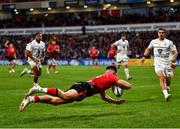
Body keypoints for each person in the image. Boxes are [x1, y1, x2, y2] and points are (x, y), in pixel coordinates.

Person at [19, 65, 132, 112]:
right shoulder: (112, 77)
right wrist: (117, 83)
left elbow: (104, 97)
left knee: (56, 101)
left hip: (84, 88)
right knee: (65, 95)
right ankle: (39, 88)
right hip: (84, 88)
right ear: (114, 71)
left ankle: (31, 99)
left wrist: (116, 102)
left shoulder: (104, 79)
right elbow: (128, 86)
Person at [141, 28, 177, 101]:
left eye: (163, 32)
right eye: (159, 32)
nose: (161, 34)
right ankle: (166, 95)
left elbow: (174, 53)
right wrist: (144, 57)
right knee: (162, 78)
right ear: (158, 34)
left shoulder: (169, 42)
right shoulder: (153, 41)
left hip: (167, 63)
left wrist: (173, 62)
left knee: (168, 80)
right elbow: (148, 49)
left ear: (165, 34)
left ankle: (167, 86)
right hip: (158, 64)